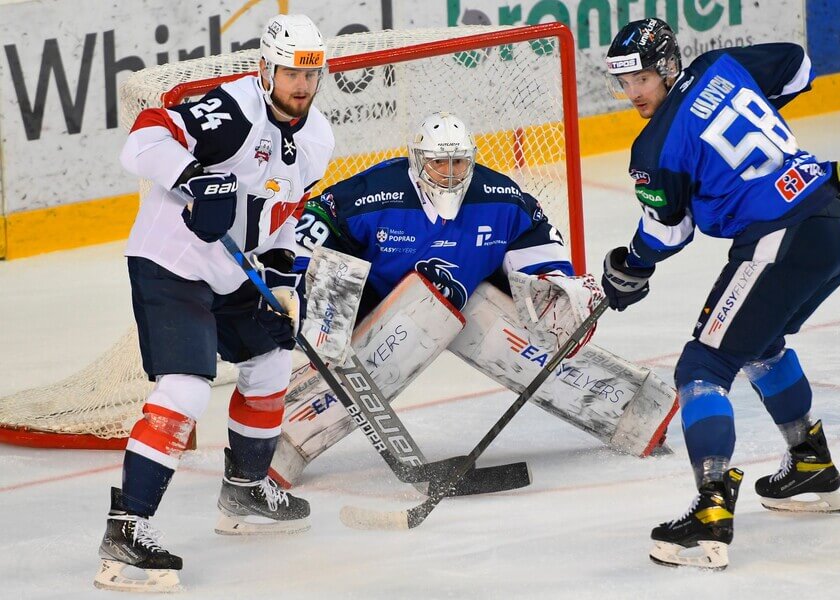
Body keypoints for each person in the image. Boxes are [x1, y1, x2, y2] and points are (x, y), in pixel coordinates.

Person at [268, 111, 676, 488]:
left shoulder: (502, 198)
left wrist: (559, 292)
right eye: (438, 163)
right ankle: (285, 434)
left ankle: (631, 412)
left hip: (464, 302)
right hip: (374, 304)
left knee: (509, 324)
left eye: (458, 163)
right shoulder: (374, 192)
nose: (448, 174)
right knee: (386, 310)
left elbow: (539, 254)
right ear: (416, 161)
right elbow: (318, 222)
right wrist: (308, 293)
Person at [601, 19, 840, 569]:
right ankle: (810, 463)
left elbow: (668, 233)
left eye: (643, 77)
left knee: (704, 366)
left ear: (668, 66)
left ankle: (711, 513)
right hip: (836, 218)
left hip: (781, 237)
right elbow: (797, 64)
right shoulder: (722, 67)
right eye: (625, 82)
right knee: (758, 342)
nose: (635, 93)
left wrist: (630, 266)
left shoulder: (654, 146)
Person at [93, 14, 335, 592]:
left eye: (312, 74)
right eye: (290, 74)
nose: (301, 86)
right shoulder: (228, 112)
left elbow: (285, 216)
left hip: (235, 272)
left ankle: (245, 493)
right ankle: (126, 532)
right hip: (172, 264)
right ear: (265, 69)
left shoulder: (318, 137)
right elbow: (143, 140)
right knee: (187, 386)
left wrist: (280, 277)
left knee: (273, 359)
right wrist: (198, 177)